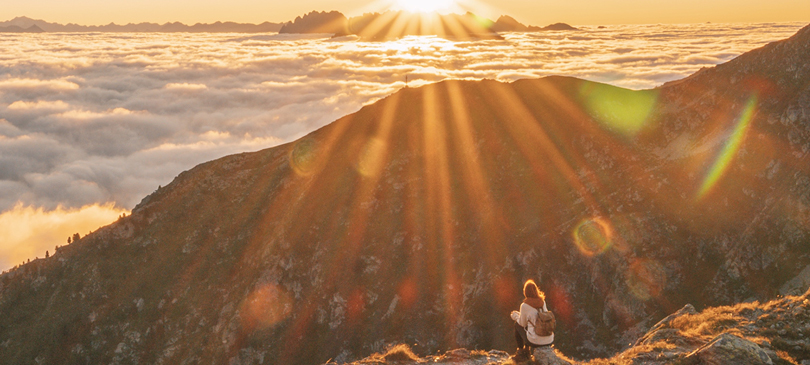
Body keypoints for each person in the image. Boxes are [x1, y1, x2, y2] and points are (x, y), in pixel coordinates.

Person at [510, 279, 554, 363]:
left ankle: (522, 352)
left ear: (525, 292)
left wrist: (515, 316)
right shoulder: (542, 302)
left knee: (517, 325)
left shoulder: (524, 305)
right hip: (549, 339)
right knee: (528, 324)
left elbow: (522, 324)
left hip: (535, 341)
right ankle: (526, 351)